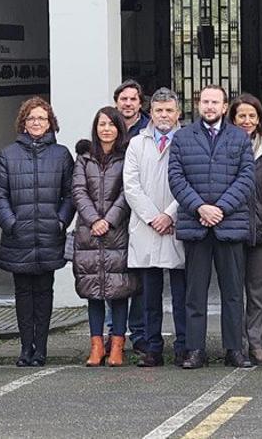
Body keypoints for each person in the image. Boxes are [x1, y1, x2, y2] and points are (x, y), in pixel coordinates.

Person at [168, 85, 255, 369]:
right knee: (195, 293)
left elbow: (246, 177)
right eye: (205, 101)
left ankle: (235, 350)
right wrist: (200, 207)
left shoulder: (239, 137)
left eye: (215, 102)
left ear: (224, 105)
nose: (209, 106)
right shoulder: (182, 138)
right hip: (196, 224)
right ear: (198, 104)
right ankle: (195, 350)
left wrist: (220, 208)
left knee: (233, 292)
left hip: (229, 224)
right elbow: (176, 178)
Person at [0, 97, 75, 367]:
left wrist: (61, 221)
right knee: (23, 294)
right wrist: (11, 223)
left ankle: (41, 349)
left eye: (42, 118)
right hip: (20, 235)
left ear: (50, 122)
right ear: (23, 123)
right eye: (31, 118)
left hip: (49, 235)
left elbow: (70, 194)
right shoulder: (8, 154)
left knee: (44, 292)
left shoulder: (62, 155)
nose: (37, 123)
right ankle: (24, 348)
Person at [69, 107, 138, 367]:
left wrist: (108, 220)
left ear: (119, 128)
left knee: (119, 289)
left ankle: (118, 345)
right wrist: (94, 220)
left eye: (111, 124)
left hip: (117, 231)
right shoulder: (84, 157)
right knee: (93, 291)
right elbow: (78, 190)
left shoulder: (126, 156)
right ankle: (97, 346)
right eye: (101, 124)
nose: (106, 129)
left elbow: (127, 191)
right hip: (89, 232)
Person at [123, 87, 187, 368]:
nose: (164, 115)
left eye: (169, 110)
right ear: (150, 112)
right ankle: (152, 347)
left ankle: (184, 346)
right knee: (149, 295)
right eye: (159, 110)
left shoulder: (187, 140)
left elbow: (190, 181)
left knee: (182, 293)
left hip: (176, 224)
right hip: (148, 226)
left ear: (178, 113)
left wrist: (170, 214)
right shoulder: (137, 143)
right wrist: (153, 217)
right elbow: (131, 185)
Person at [229, 93, 262, 366]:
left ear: (259, 118)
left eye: (252, 116)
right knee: (234, 290)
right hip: (232, 226)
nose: (247, 121)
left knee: (258, 290)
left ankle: (256, 344)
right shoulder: (224, 145)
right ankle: (235, 344)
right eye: (241, 116)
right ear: (233, 119)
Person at [114, 79, 149, 353]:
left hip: (140, 211)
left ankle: (139, 335)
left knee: (139, 278)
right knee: (113, 275)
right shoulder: (107, 126)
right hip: (113, 214)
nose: (128, 103)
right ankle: (113, 335)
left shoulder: (148, 130)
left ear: (140, 103)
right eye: (123, 99)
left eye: (132, 99)